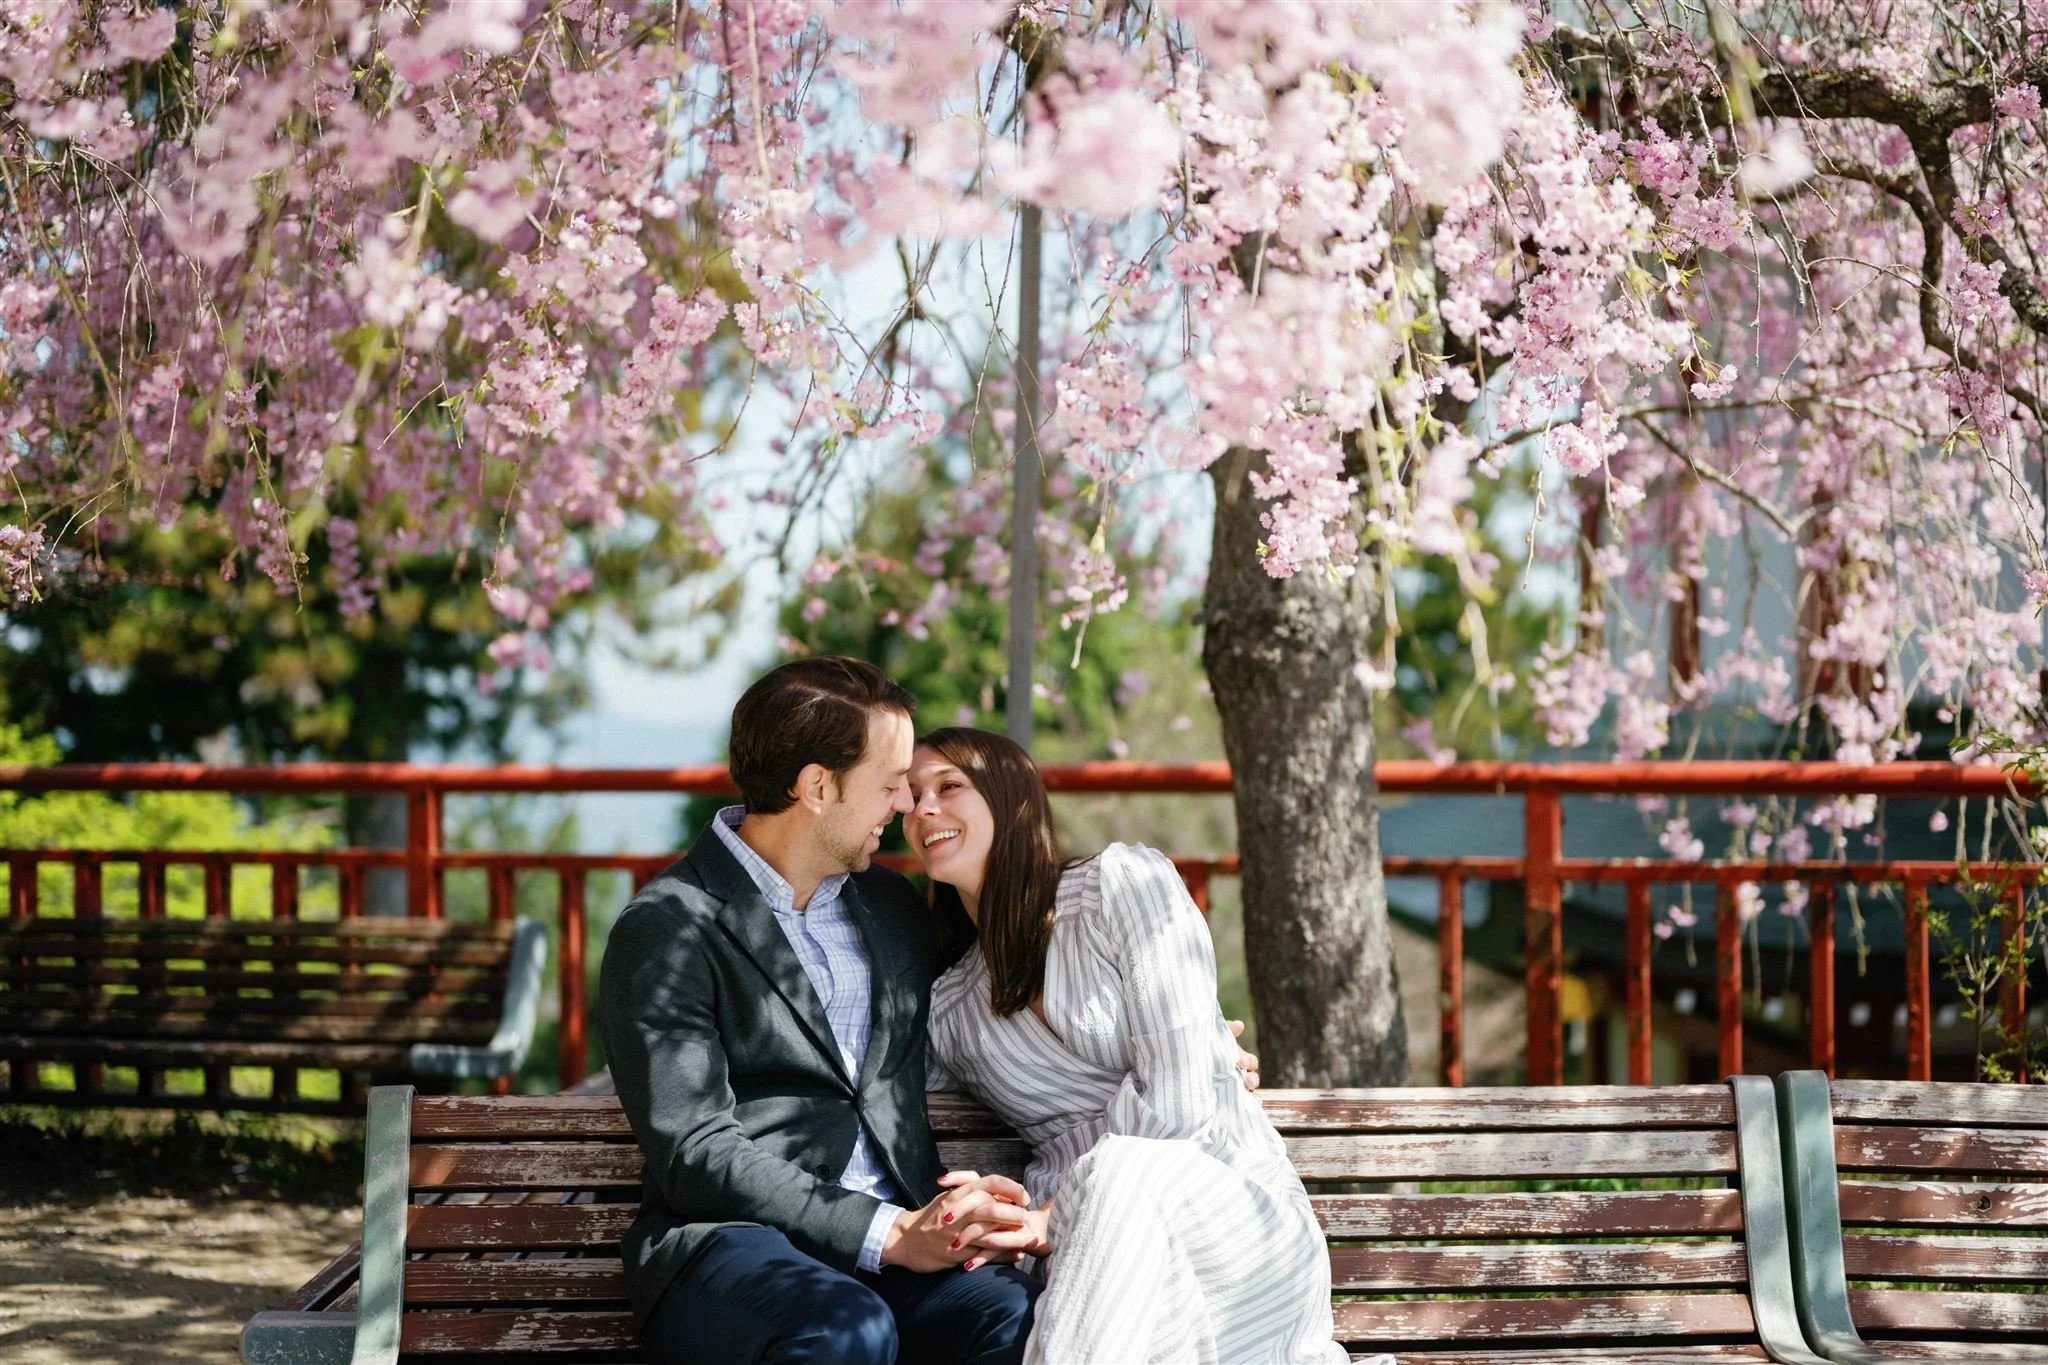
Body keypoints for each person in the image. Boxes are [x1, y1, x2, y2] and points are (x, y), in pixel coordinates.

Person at [596, 659, 1039, 1365]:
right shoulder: (668, 926)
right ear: (817, 786)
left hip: (898, 1250)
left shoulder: (892, 909)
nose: (904, 804)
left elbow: (1002, 994)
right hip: (730, 1248)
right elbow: (695, 1148)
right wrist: (886, 1231)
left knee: (1012, 1314)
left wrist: (1188, 1041)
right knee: (844, 1330)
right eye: (891, 782)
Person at [909, 726, 1360, 1365]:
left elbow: (1180, 1106)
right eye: (910, 796)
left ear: (1011, 800)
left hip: (1230, 1215)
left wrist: (1048, 1216)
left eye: (948, 786)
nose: (923, 809)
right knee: (1112, 1193)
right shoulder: (952, 1006)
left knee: (1117, 1170)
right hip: (1093, 1265)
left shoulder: (1122, 886)